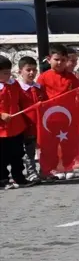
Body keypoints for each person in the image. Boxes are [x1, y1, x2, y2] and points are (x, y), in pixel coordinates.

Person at [37, 44, 79, 180]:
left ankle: (68, 166)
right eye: (56, 59)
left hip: (67, 117)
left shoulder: (72, 78)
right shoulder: (43, 77)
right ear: (49, 59)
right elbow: (39, 96)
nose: (59, 63)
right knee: (50, 145)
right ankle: (52, 168)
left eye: (63, 60)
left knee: (68, 143)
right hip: (50, 118)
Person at [0, 55, 30, 189]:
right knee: (2, 156)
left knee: (18, 154)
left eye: (9, 71)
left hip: (16, 126)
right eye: (5, 73)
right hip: (1, 129)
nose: (8, 75)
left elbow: (22, 100)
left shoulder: (14, 84)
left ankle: (19, 177)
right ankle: (3, 179)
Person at [17, 56, 47, 183]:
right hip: (27, 126)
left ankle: (45, 171)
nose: (31, 73)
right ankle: (31, 172)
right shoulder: (18, 88)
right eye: (28, 70)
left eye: (34, 70)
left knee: (44, 150)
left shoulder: (39, 87)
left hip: (40, 125)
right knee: (29, 152)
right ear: (20, 71)